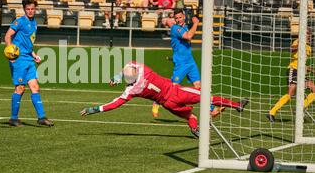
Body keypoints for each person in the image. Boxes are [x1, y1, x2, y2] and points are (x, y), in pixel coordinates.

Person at [80, 62, 249, 137]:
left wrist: (93, 109)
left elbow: (114, 104)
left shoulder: (132, 89)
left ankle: (195, 130)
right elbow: (131, 63)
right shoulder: (144, 70)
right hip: (176, 92)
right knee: (207, 96)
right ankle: (236, 105)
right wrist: (116, 76)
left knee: (192, 117)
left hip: (167, 104)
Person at [4, 0, 54, 127]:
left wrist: (34, 55)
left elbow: (28, 43)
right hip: (19, 59)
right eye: (28, 9)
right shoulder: (19, 22)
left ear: (35, 9)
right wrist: (10, 52)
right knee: (20, 88)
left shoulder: (35, 24)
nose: (30, 11)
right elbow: (7, 36)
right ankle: (13, 118)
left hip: (29, 59)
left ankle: (41, 117)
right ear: (24, 9)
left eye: (32, 9)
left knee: (35, 87)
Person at [152, 9, 205, 118]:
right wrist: (196, 23)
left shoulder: (184, 27)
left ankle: (211, 110)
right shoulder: (175, 28)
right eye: (176, 18)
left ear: (184, 17)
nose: (178, 20)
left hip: (190, 61)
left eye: (180, 17)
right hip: (181, 62)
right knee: (173, 86)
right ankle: (157, 101)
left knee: (198, 86)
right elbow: (189, 36)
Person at [266, 30, 315, 122]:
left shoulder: (309, 48)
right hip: (294, 70)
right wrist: (300, 44)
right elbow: (292, 48)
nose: (309, 37)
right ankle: (272, 112)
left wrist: (312, 70)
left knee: (314, 88)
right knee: (290, 93)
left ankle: (300, 108)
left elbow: (303, 63)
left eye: (310, 35)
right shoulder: (298, 41)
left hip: (301, 72)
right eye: (307, 35)